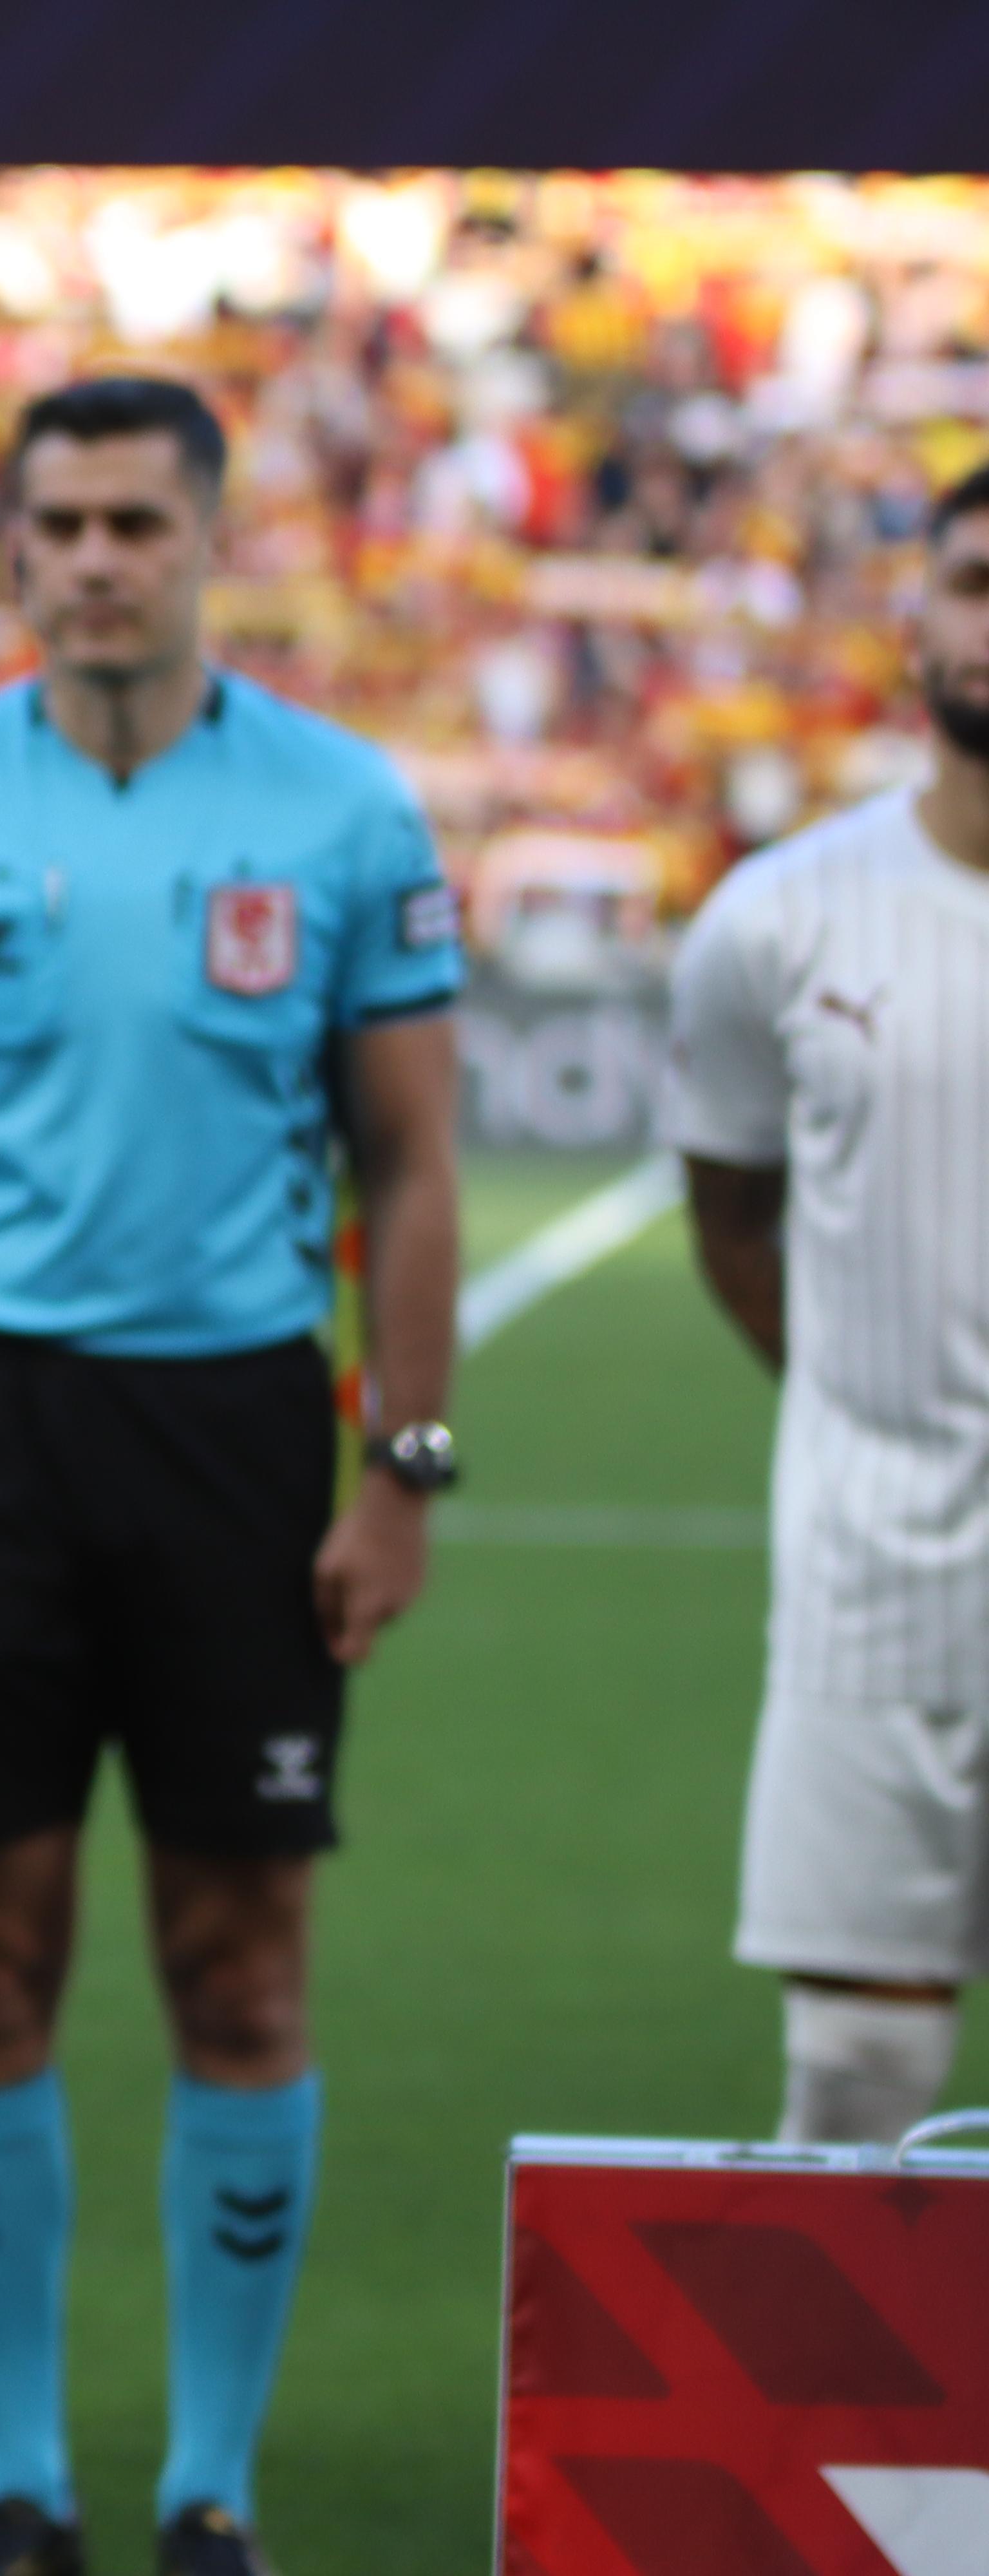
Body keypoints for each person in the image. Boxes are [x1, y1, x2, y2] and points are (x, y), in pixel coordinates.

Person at [0, 378, 464, 2576]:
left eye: (135, 523)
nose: (94, 560)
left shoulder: (345, 808)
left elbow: (414, 1165)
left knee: (239, 1962)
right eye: (57, 523)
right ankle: (22, 2489)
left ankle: (207, 2493)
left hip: (241, 1428)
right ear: (11, 547)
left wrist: (402, 1467)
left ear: (209, 539)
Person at [664, 458, 989, 2147]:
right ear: (919, 619)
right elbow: (730, 1216)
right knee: (860, 2075)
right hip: (877, 1583)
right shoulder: (776, 921)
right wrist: (860, 1401)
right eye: (978, 584)